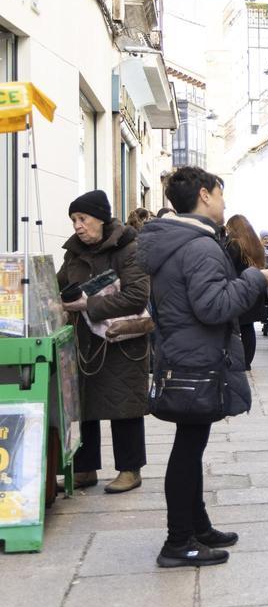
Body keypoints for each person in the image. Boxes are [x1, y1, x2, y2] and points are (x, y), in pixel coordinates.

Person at [137, 166, 268, 567]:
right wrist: (256, 279)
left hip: (183, 355)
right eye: (220, 194)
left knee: (191, 444)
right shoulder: (198, 245)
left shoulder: (175, 240)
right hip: (196, 359)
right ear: (204, 195)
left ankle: (197, 526)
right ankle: (177, 542)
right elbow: (213, 306)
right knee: (187, 449)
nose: (223, 202)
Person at [57, 190, 151, 494]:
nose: (78, 226)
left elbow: (137, 296)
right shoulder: (73, 253)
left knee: (123, 404)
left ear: (100, 218)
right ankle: (85, 468)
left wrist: (88, 304)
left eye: (82, 218)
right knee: (84, 405)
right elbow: (58, 285)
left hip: (121, 339)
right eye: (74, 220)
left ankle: (129, 469)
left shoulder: (129, 249)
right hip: (85, 342)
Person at [224, 214, 268, 369]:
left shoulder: (234, 245)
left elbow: (228, 268)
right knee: (248, 326)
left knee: (237, 327)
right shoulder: (254, 243)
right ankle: (247, 361)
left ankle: (241, 361)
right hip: (254, 288)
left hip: (239, 288)